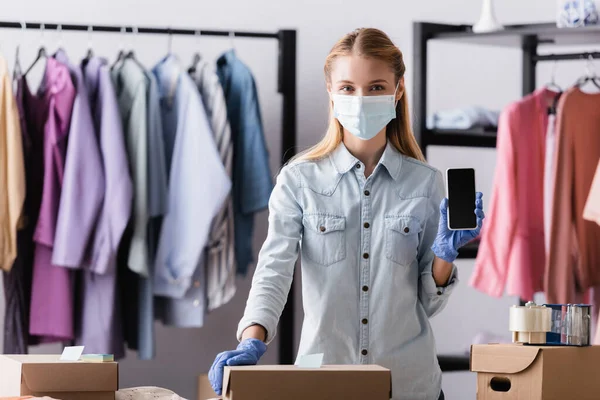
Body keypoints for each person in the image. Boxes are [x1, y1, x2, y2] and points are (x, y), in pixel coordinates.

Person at [208, 27, 485, 400]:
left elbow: (427, 303)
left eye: (375, 87)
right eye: (348, 87)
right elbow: (273, 270)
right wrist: (250, 341)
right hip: (322, 383)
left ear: (397, 89)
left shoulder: (425, 183)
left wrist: (444, 259)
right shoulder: (298, 180)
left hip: (409, 385)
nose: (360, 98)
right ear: (331, 92)